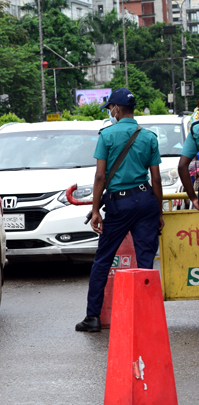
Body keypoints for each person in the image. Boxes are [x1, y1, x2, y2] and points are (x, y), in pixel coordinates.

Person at [75, 88, 163, 333]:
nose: (110, 112)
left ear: (115, 108)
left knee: (103, 259)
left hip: (119, 204)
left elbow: (101, 175)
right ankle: (146, 316)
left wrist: (95, 211)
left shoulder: (107, 135)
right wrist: (159, 212)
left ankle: (92, 317)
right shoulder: (149, 137)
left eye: (110, 108)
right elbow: (156, 180)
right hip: (146, 201)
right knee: (145, 261)